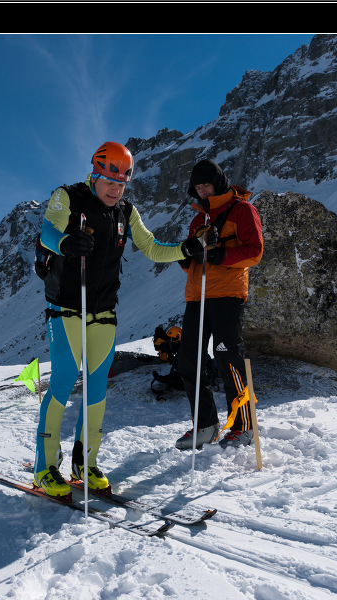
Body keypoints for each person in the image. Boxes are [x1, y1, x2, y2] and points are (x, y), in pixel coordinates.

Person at [34, 141, 205, 497]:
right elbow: (47, 232)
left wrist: (183, 250)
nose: (115, 190)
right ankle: (45, 467)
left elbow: (152, 247)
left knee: (97, 387)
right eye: (109, 181)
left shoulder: (126, 212)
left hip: (104, 313)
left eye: (122, 184)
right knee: (65, 378)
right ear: (95, 175)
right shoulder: (68, 197)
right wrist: (65, 243)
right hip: (65, 308)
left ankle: (87, 461)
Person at [174, 159, 263, 450]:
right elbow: (194, 265)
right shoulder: (198, 219)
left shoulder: (242, 210)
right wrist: (186, 258)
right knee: (189, 359)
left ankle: (243, 426)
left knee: (228, 358)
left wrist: (220, 255)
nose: (201, 191)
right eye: (197, 187)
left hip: (227, 295)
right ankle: (206, 425)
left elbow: (254, 251)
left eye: (206, 185)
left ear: (219, 183)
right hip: (196, 297)